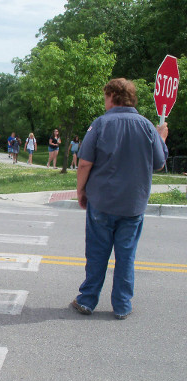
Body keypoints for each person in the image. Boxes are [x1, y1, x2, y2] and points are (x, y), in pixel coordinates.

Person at [72, 78, 168, 320]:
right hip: (133, 204)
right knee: (126, 255)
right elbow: (159, 163)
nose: (104, 101)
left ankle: (87, 300)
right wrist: (161, 139)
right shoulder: (147, 126)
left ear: (113, 96)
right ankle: (122, 305)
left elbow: (84, 163)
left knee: (97, 253)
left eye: (106, 96)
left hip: (102, 201)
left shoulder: (101, 124)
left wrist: (81, 191)